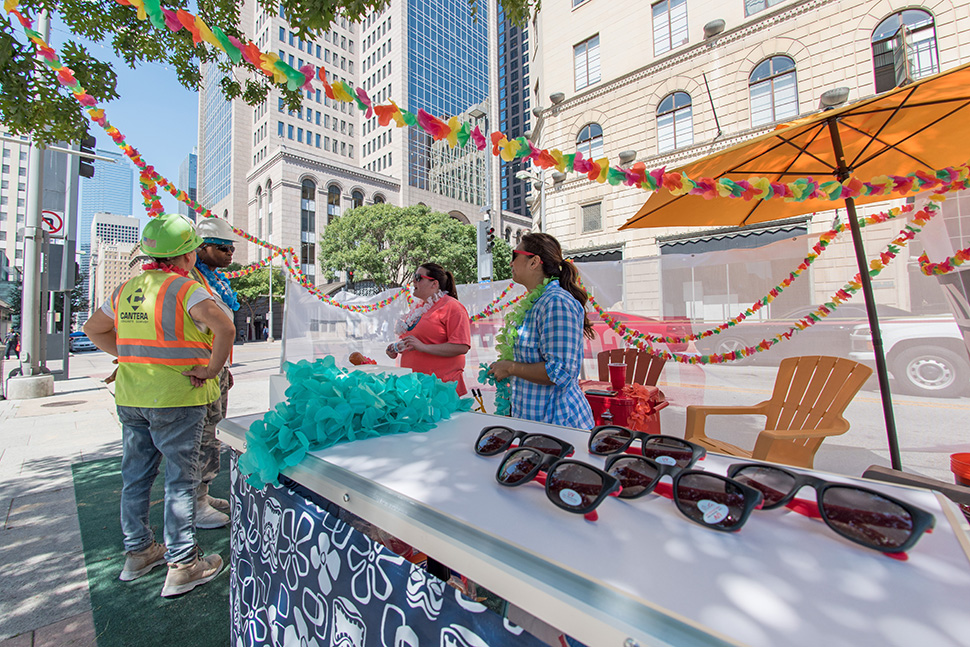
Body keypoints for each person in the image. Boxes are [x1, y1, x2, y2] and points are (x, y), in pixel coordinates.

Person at [84, 213, 236, 598]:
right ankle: (183, 565)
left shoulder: (125, 289)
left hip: (132, 397)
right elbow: (225, 328)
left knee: (135, 477)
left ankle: (138, 553)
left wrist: (129, 356)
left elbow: (93, 328)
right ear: (187, 255)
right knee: (180, 480)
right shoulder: (185, 289)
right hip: (178, 397)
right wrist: (211, 368)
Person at [487, 233, 595, 429]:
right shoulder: (536, 302)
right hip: (534, 424)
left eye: (514, 256)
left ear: (534, 262)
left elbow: (560, 371)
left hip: (558, 426)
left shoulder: (556, 302)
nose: (510, 263)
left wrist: (510, 367)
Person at [188, 217, 244, 530]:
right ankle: (194, 503)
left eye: (231, 248)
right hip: (199, 370)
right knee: (201, 435)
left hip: (215, 367)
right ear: (201, 248)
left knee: (213, 431)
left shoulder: (214, 279)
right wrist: (211, 367)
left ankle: (203, 493)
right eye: (223, 248)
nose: (230, 253)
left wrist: (223, 366)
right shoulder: (190, 280)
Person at [386, 263, 471, 395]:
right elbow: (415, 343)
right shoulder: (418, 308)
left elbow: (461, 346)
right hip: (415, 386)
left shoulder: (452, 307)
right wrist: (397, 348)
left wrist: (424, 347)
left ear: (434, 284)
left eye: (418, 277)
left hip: (441, 388)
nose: (413, 281)